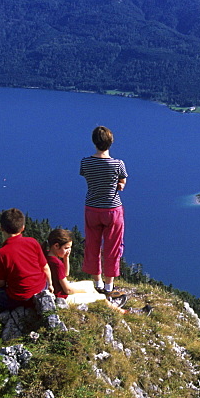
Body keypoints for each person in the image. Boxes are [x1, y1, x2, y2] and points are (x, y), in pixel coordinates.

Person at [80, 126, 128, 298]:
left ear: (94, 142)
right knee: (112, 248)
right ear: (111, 142)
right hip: (112, 210)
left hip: (92, 208)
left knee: (92, 245)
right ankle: (109, 287)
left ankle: (97, 283)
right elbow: (121, 183)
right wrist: (119, 184)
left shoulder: (85, 162)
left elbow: (88, 177)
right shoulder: (118, 164)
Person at [0, 208, 53, 312]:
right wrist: (50, 285)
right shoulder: (33, 242)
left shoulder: (1, 253)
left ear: (1, 228)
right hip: (41, 289)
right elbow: (45, 267)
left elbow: (0, 284)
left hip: (20, 297)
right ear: (23, 228)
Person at [45, 228, 126, 308]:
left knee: (89, 284)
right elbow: (68, 290)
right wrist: (83, 292)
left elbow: (65, 274)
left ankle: (107, 301)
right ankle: (118, 310)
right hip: (63, 298)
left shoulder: (48, 255)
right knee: (99, 297)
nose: (69, 250)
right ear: (56, 246)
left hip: (59, 292)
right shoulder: (56, 263)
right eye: (66, 248)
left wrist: (66, 258)